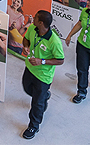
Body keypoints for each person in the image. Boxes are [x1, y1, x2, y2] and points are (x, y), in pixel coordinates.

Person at [19, 10, 64, 139]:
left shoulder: (54, 41)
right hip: (30, 68)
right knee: (27, 89)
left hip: (43, 76)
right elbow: (26, 39)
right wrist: (26, 46)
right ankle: (45, 96)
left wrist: (42, 61)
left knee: (37, 103)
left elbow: (60, 60)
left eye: (35, 18)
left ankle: (34, 125)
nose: (32, 18)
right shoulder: (33, 28)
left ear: (41, 22)